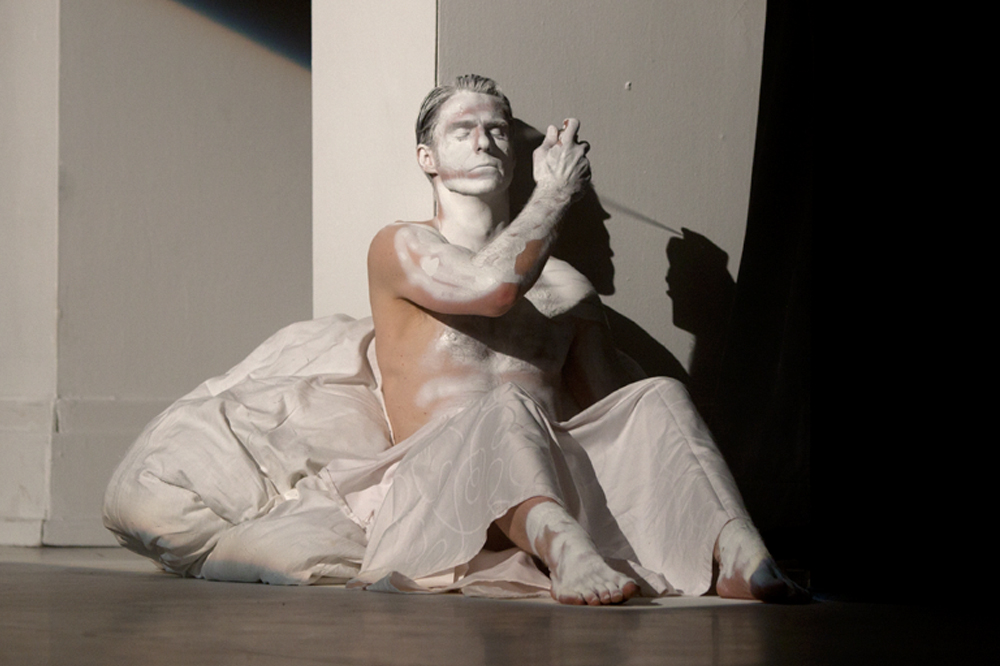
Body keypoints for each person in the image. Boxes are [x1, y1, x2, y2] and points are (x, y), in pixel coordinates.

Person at [362, 74, 808, 605]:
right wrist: (554, 193)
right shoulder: (401, 245)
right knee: (505, 404)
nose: (484, 142)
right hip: (439, 495)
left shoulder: (566, 286)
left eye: (497, 130)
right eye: (463, 131)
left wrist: (704, 328)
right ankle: (566, 554)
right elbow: (494, 288)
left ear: (515, 155)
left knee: (658, 394)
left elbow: (614, 416)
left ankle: (737, 552)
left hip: (550, 484)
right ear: (427, 158)